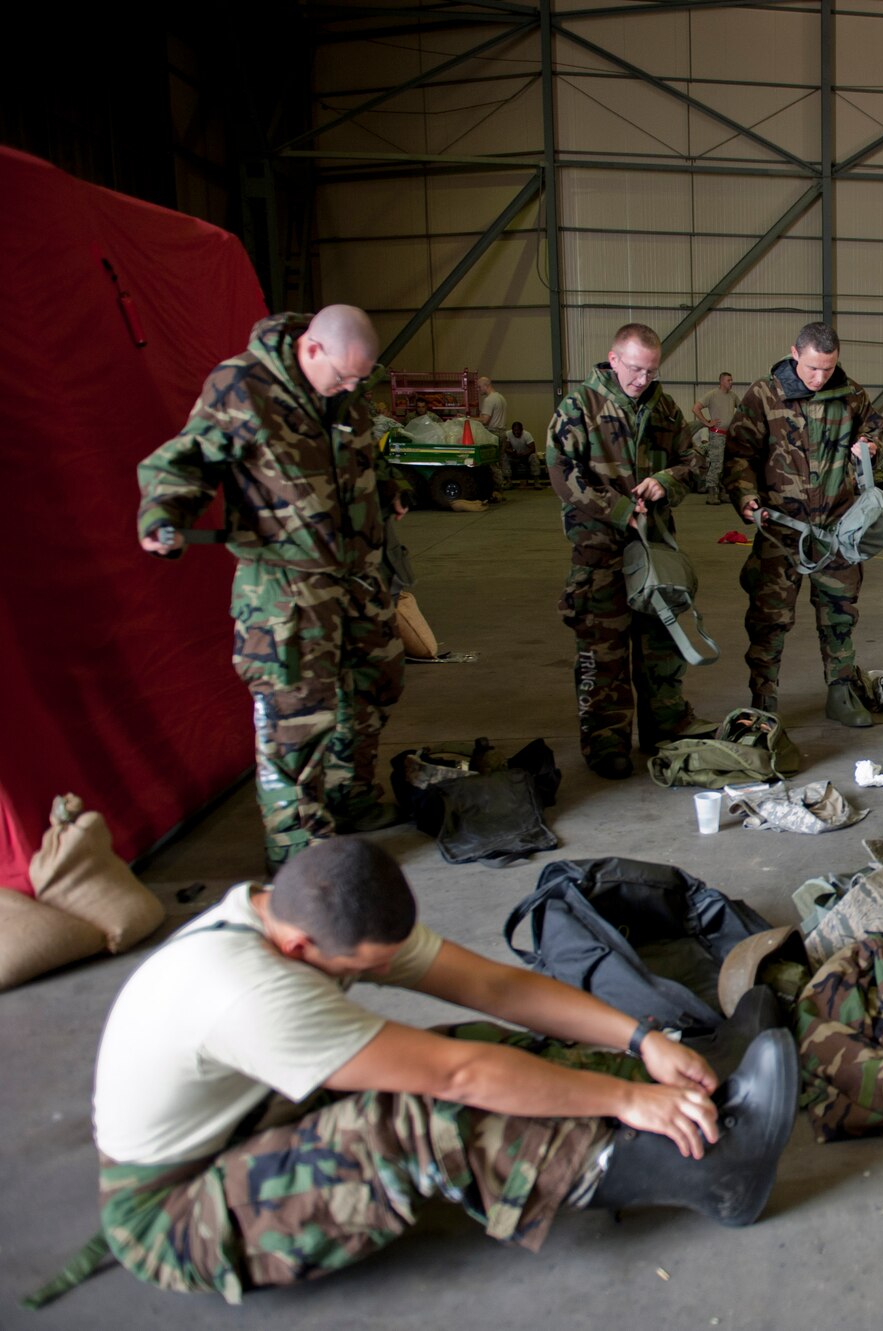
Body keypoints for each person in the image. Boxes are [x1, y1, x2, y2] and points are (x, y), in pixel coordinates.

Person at [53, 837, 794, 1307]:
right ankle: (702, 1174)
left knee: (473, 1036)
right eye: (369, 969)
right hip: (178, 1211)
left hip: (256, 1119)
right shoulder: (249, 993)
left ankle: (684, 1109)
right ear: (302, 949)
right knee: (417, 1110)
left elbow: (495, 989)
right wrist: (626, 1096)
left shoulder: (306, 911)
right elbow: (460, 1079)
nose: (383, 971)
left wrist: (642, 1040)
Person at [137, 304, 410, 868]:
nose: (352, 388)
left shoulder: (344, 389)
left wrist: (390, 488)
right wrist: (163, 515)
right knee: (295, 714)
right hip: (287, 588)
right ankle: (296, 846)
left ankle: (349, 796)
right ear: (312, 349)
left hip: (357, 576)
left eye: (360, 380)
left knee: (373, 687)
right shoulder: (242, 386)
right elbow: (188, 460)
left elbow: (359, 457)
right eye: (344, 377)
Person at [547, 322, 702, 780]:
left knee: (660, 644)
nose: (643, 380)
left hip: (654, 551)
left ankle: (665, 728)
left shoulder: (664, 408)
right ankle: (606, 740)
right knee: (604, 650)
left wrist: (667, 481)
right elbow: (560, 471)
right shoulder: (580, 407)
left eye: (651, 372)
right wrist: (615, 509)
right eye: (636, 370)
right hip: (599, 553)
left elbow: (692, 459)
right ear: (614, 359)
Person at [725, 322, 883, 728]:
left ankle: (841, 690)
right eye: (813, 368)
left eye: (828, 369)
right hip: (781, 531)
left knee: (840, 613)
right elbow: (739, 454)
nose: (819, 377)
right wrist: (746, 497)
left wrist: (869, 444)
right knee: (769, 618)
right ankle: (763, 700)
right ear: (794, 353)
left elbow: (875, 425)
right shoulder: (764, 395)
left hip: (837, 529)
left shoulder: (850, 393)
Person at [696, 372, 740, 504]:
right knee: (716, 464)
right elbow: (696, 408)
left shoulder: (733, 396)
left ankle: (722, 491)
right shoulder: (712, 394)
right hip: (717, 434)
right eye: (728, 380)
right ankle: (712, 493)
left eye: (731, 380)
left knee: (726, 464)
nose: (731, 382)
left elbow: (742, 409)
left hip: (729, 436)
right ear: (721, 381)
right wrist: (707, 422)